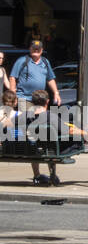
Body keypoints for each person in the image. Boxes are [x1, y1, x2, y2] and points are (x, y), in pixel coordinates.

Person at [25, 91, 88, 185]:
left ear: (33, 102)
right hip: (58, 149)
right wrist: (84, 133)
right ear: (47, 101)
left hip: (37, 149)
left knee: (40, 143)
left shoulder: (27, 116)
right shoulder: (49, 116)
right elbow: (69, 131)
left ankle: (37, 175)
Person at [10, 40, 60, 186]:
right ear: (30, 49)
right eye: (33, 48)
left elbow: (50, 78)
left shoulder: (45, 62)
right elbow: (13, 77)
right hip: (24, 98)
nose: (36, 50)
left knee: (44, 130)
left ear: (42, 50)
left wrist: (56, 92)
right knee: (31, 130)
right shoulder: (22, 61)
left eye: (38, 49)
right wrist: (13, 95)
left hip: (40, 99)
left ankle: (40, 153)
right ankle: (36, 172)